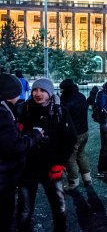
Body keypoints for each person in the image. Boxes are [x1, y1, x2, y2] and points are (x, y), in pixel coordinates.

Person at [16, 78, 77, 232]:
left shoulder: (59, 110)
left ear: (49, 93)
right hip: (28, 167)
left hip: (52, 167)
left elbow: (70, 139)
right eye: (35, 90)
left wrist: (60, 163)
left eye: (43, 90)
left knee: (59, 207)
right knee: (24, 210)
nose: (38, 93)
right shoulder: (23, 109)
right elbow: (15, 138)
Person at [0, 74, 42, 232]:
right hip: (4, 178)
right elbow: (13, 146)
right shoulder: (3, 112)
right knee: (4, 217)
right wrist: (35, 136)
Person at [59, 79, 91, 190]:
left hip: (74, 134)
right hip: (84, 131)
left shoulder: (66, 100)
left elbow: (62, 117)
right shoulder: (81, 96)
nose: (61, 91)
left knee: (70, 158)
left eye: (62, 89)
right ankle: (87, 179)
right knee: (81, 155)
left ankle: (73, 182)